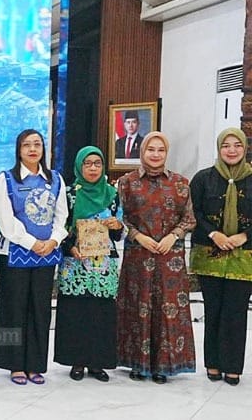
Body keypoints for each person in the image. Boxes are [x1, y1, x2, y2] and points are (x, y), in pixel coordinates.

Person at [116, 132, 196, 384]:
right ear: (142, 151)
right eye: (151, 149)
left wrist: (173, 236)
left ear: (166, 153)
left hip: (169, 258)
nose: (156, 154)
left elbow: (189, 219)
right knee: (137, 306)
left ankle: (164, 365)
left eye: (161, 150)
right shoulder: (127, 183)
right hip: (138, 256)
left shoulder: (180, 183)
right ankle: (137, 363)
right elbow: (120, 218)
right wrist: (138, 236)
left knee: (166, 309)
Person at [0, 129, 67, 385]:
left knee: (40, 310)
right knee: (13, 310)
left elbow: (62, 215)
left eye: (37, 144)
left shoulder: (55, 179)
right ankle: (15, 365)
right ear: (19, 150)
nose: (32, 149)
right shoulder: (6, 179)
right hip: (15, 254)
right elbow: (5, 221)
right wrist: (32, 243)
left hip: (46, 255)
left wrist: (54, 240)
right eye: (27, 145)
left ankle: (35, 365)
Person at [54, 146, 123, 382]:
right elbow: (59, 225)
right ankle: (77, 360)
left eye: (97, 163)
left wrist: (117, 226)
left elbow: (119, 231)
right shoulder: (69, 194)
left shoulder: (112, 194)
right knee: (76, 311)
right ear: (79, 166)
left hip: (104, 263)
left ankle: (97, 362)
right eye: (88, 164)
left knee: (101, 312)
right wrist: (69, 247)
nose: (93, 168)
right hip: (76, 261)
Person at [189, 127, 252, 386]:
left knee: (235, 312)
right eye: (226, 145)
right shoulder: (203, 178)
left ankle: (233, 367)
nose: (231, 150)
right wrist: (214, 234)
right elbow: (193, 212)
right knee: (213, 309)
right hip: (209, 253)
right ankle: (213, 363)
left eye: (237, 145)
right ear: (219, 148)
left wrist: (244, 236)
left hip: (244, 256)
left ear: (245, 148)